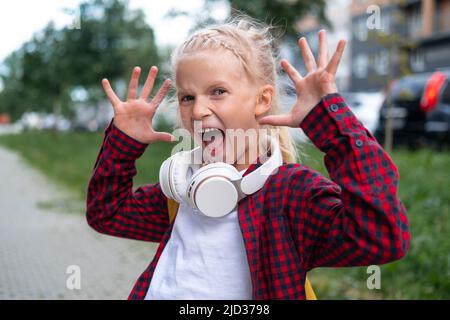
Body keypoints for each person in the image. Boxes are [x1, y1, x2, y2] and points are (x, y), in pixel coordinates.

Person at [86, 15, 410, 300]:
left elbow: (381, 237)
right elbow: (106, 214)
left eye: (217, 91)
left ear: (262, 99)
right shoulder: (183, 190)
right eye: (187, 97)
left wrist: (331, 125)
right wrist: (123, 143)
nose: (198, 110)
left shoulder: (290, 194)